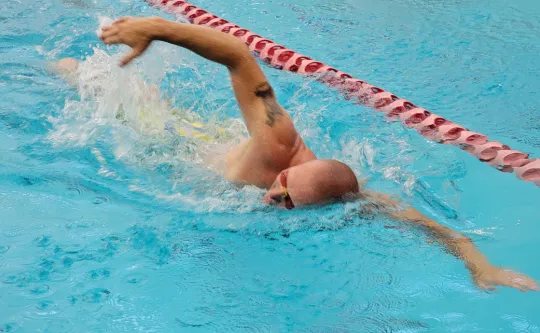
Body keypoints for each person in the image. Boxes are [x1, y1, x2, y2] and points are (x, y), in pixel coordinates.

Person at [54, 16, 538, 292]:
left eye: (287, 206)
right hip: (178, 142)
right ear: (285, 173)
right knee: (111, 94)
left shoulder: (350, 196)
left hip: (211, 153)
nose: (272, 203)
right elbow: (239, 56)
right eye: (281, 194)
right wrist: (157, 27)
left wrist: (479, 264)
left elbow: (426, 224)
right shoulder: (276, 147)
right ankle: (65, 67)